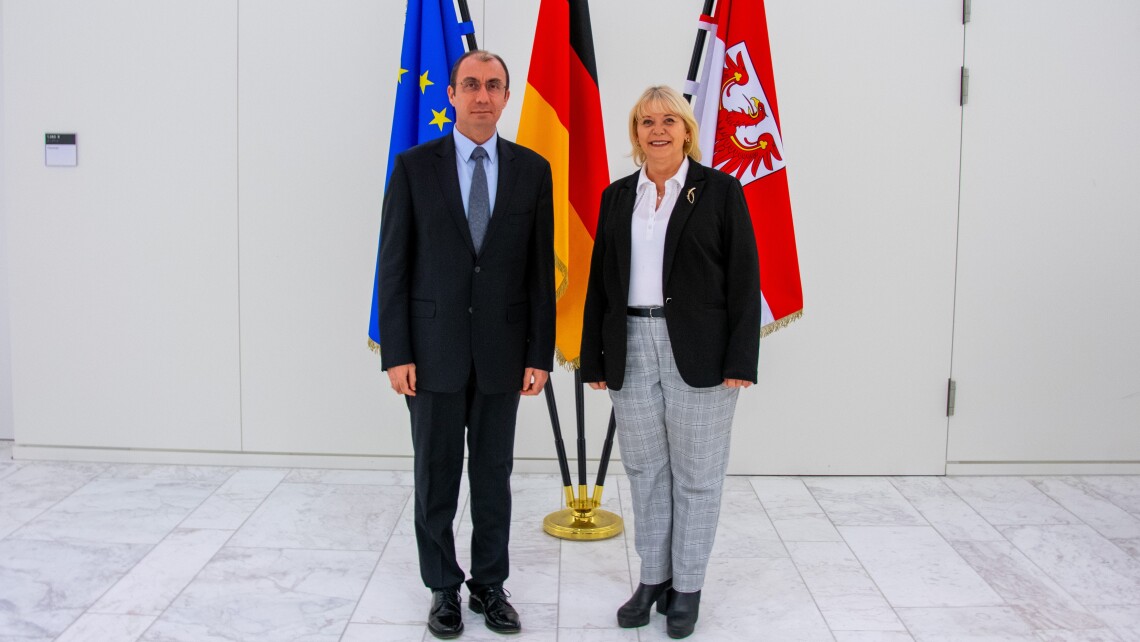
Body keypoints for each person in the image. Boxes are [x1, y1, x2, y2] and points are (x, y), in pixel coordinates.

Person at [377, 49, 555, 639]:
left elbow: (538, 273)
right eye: (471, 85)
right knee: (435, 476)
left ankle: (488, 583)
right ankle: (443, 589)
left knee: (493, 475)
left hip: (504, 354)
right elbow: (393, 266)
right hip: (430, 353)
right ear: (451, 95)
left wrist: (539, 353)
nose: (482, 95)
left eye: (494, 86)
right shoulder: (413, 167)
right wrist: (397, 350)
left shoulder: (533, 170)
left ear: (507, 97)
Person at [579, 85, 761, 639]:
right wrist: (595, 358)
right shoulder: (616, 197)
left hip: (702, 353)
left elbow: (745, 282)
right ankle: (652, 579)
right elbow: (600, 284)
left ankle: (687, 586)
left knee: (697, 478)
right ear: (635, 133)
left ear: (686, 130)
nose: (657, 130)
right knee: (644, 472)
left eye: (669, 121)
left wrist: (741, 359)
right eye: (646, 121)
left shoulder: (721, 192)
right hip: (630, 343)